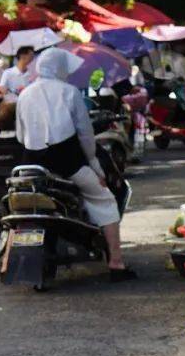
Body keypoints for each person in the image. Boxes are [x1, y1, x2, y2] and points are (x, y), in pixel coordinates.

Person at [15, 46, 135, 280]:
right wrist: (95, 166)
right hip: (67, 162)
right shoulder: (70, 93)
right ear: (60, 68)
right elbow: (85, 136)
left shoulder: (25, 94)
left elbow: (21, 135)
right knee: (105, 199)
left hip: (32, 162)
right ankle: (116, 262)